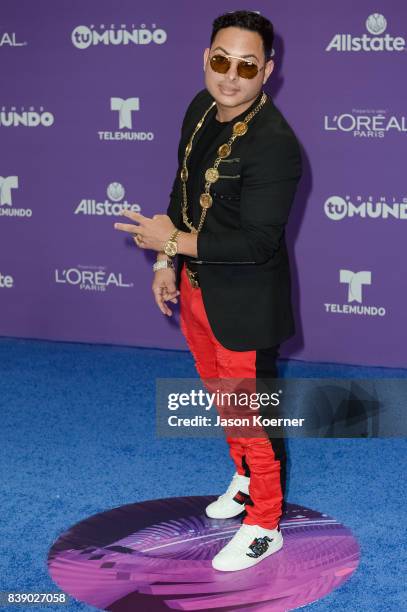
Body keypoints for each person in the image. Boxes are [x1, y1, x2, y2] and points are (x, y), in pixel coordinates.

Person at [114, 10, 302, 571]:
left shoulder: (276, 145)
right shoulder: (200, 109)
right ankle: (244, 481)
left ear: (267, 71)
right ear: (206, 59)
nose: (230, 76)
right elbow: (182, 187)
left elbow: (257, 243)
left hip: (244, 301)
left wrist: (173, 238)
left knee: (251, 413)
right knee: (224, 401)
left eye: (247, 65)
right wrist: (164, 260)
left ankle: (265, 523)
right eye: (221, 60)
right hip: (198, 289)